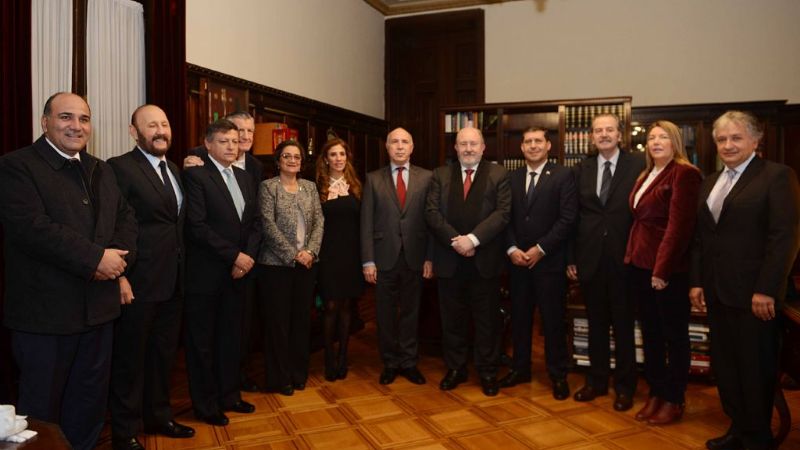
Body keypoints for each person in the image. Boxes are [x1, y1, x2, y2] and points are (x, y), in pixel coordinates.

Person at [0, 92, 137, 450]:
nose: (76, 126)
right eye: (66, 117)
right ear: (45, 122)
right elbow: (32, 228)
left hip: (99, 312)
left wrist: (119, 261)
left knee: (89, 405)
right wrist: (95, 259)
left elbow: (126, 219)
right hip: (45, 317)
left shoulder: (101, 169)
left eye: (84, 119)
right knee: (41, 414)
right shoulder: (16, 166)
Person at [690, 111, 800, 450]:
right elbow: (701, 239)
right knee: (726, 369)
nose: (728, 145)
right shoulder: (710, 182)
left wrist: (767, 289)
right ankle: (738, 429)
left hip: (756, 297)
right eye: (722, 139)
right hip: (718, 293)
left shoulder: (777, 177)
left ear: (756, 140)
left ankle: (758, 438)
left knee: (755, 370)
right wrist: (697, 283)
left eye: (736, 137)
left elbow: (785, 238)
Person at [107, 105, 194, 450]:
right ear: (134, 132)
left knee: (163, 355)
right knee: (131, 359)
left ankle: (159, 416)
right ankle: (125, 431)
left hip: (174, 281)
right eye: (151, 125)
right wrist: (120, 276)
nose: (160, 130)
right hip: (139, 281)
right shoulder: (119, 168)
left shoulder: (173, 168)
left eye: (164, 123)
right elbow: (113, 223)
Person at [183, 119, 260, 426]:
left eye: (234, 140)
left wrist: (248, 257)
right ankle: (206, 404)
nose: (231, 145)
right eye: (224, 141)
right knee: (203, 343)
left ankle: (230, 395)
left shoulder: (244, 177)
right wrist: (235, 256)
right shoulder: (196, 175)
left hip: (239, 273)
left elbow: (255, 223)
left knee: (232, 338)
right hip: (207, 275)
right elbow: (197, 226)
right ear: (208, 144)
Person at [624, 120, 701, 425]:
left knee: (674, 336)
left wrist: (662, 269)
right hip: (639, 265)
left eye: (663, 137)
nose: (656, 142)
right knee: (651, 333)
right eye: (651, 137)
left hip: (666, 269)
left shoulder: (685, 173)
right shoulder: (646, 173)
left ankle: (674, 397)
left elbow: (679, 228)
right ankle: (656, 391)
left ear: (675, 143)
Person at [425, 127, 511, 397]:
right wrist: (456, 241)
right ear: (456, 148)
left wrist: (473, 240)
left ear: (484, 147)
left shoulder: (499, 174)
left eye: (474, 144)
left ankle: (487, 370)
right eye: (463, 144)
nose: (469, 148)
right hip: (450, 259)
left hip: (484, 260)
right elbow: (431, 212)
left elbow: (503, 213)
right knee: (452, 319)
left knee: (486, 320)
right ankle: (456, 368)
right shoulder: (440, 174)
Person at [568, 113, 644, 411]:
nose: (603, 135)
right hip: (590, 259)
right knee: (596, 323)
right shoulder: (581, 168)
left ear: (620, 134)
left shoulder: (638, 164)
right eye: (598, 130)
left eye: (609, 130)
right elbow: (574, 217)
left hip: (625, 257)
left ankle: (625, 387)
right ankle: (596, 381)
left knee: (624, 325)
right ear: (591, 137)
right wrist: (572, 258)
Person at [500, 127, 577, 400]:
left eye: (538, 141)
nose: (533, 146)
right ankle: (520, 368)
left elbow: (567, 219)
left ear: (548, 146)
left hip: (549, 263)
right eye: (528, 142)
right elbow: (503, 218)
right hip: (518, 263)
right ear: (521, 148)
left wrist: (541, 249)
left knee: (553, 321)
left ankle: (557, 375)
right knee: (519, 319)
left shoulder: (563, 175)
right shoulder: (511, 177)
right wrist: (511, 249)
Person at [361, 128, 433, 386]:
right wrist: (368, 260)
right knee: (385, 314)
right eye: (394, 142)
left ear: (412, 147)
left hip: (415, 257)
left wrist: (430, 257)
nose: (400, 146)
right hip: (383, 259)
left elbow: (433, 221)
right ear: (387, 147)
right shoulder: (373, 179)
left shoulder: (427, 178)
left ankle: (410, 362)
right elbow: (366, 222)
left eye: (405, 142)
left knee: (412, 313)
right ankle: (390, 362)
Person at [256, 140, 324, 396]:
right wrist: (293, 254)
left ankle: (298, 374)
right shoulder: (268, 187)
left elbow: (319, 222)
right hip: (276, 267)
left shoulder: (310, 187)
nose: (292, 160)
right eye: (287, 156)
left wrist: (310, 252)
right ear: (278, 161)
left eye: (296, 156)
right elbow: (267, 226)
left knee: (300, 322)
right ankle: (279, 378)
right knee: (278, 325)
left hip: (307, 265)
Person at [315, 138, 363, 381]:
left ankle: (343, 356)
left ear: (347, 157)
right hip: (327, 255)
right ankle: (328, 359)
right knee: (330, 307)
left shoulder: (355, 186)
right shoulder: (317, 187)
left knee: (346, 307)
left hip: (351, 255)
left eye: (342, 154)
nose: (338, 158)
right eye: (333, 154)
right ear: (325, 159)